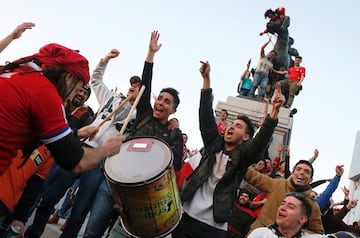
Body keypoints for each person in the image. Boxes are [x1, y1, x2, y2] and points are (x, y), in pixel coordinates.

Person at [24, 48, 139, 238]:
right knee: (49, 198)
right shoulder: (111, 97)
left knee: (78, 213)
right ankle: (33, 233)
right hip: (79, 149)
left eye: (138, 86)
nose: (133, 87)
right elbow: (95, 79)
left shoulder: (136, 115)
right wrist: (105, 59)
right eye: (132, 84)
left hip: (99, 162)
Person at [82, 31, 182, 238]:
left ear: (174, 110)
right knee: (92, 231)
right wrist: (150, 53)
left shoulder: (174, 134)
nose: (160, 103)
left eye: (166, 102)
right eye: (159, 98)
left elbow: (177, 164)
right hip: (114, 185)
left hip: (141, 198)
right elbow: (146, 82)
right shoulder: (144, 113)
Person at [171, 60, 284, 238]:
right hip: (187, 217)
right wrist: (206, 79)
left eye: (239, 126)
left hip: (215, 227)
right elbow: (205, 115)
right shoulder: (212, 144)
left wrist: (275, 110)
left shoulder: (244, 155)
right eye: (231, 124)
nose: (231, 127)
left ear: (246, 137)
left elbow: (261, 140)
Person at [0, 42, 124, 175]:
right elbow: (78, 162)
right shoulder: (45, 94)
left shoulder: (15, 72)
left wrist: (77, 134)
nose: (70, 97)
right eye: (76, 90)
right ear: (69, 78)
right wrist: (106, 149)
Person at [244, 159, 324, 234]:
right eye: (298, 169)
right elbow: (254, 177)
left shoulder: (312, 204)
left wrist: (294, 232)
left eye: (306, 172)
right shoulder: (278, 184)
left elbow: (318, 233)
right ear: (292, 173)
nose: (301, 172)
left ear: (310, 180)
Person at [247, 192, 324, 238]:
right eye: (282, 204)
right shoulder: (260, 234)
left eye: (291, 207)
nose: (282, 208)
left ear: (302, 219)